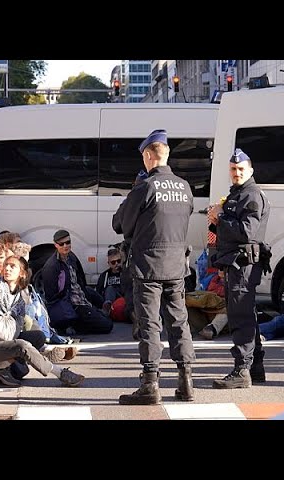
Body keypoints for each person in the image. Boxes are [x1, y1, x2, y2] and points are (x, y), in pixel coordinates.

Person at [112, 129, 196, 405]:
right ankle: (186, 382)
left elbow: (120, 224)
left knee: (150, 324)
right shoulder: (184, 187)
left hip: (148, 267)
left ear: (149, 156)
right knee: (179, 323)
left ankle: (150, 383)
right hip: (176, 267)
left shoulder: (145, 187)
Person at [0, 255, 85, 387]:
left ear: (22, 273)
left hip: (0, 341)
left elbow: (19, 327)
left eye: (13, 266)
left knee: (38, 336)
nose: (7, 268)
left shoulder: (20, 299)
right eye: (6, 265)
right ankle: (60, 372)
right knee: (21, 345)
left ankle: (1, 366)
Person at [207, 148, 272, 389]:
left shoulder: (251, 195)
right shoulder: (238, 194)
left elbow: (247, 232)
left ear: (250, 170)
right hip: (237, 263)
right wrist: (217, 221)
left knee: (241, 317)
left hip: (243, 265)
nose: (236, 173)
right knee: (246, 316)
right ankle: (255, 367)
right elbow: (231, 233)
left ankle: (242, 369)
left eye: (241, 169)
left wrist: (221, 216)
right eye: (233, 169)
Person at [41, 229, 113, 335]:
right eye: (61, 244)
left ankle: (98, 310)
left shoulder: (72, 257)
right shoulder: (51, 266)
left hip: (81, 295)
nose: (65, 246)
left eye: (68, 242)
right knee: (107, 325)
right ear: (55, 245)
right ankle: (78, 323)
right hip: (73, 304)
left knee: (92, 293)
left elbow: (81, 280)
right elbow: (51, 296)